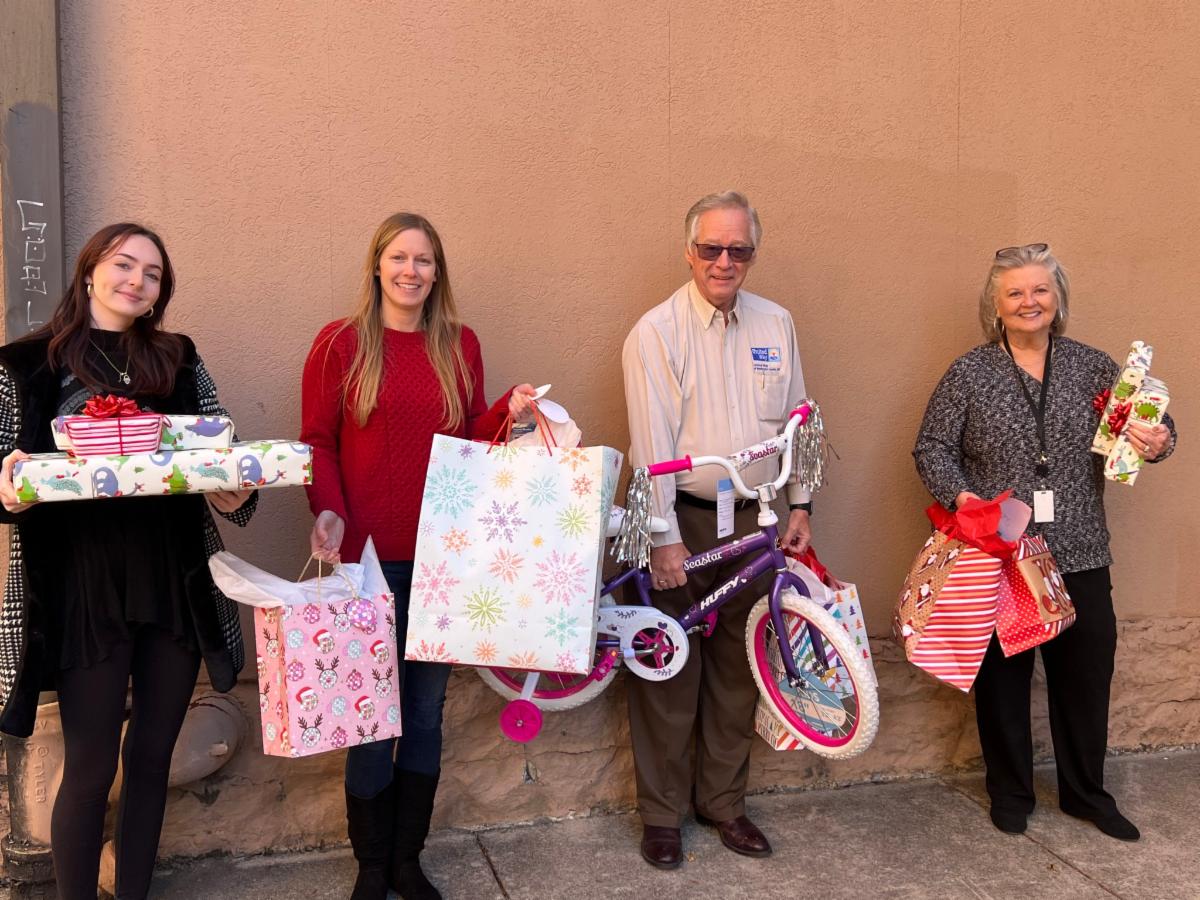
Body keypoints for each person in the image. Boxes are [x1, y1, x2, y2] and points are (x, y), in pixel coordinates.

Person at [0, 223, 256, 899]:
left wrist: (235, 490)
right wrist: (9, 489)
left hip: (172, 583)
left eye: (152, 273)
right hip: (83, 592)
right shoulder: (27, 365)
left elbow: (223, 454)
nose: (136, 281)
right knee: (89, 772)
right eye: (124, 264)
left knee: (150, 761)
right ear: (90, 271)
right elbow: (3, 478)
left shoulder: (178, 358)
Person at [301, 212, 533, 900]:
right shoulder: (340, 345)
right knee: (371, 721)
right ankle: (371, 866)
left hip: (443, 562)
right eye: (399, 257)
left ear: (437, 273)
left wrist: (509, 412)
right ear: (377, 265)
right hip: (365, 564)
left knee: (425, 715)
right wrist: (328, 510)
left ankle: (408, 860)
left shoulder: (459, 345)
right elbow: (317, 441)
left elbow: (469, 439)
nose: (411, 270)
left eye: (424, 260)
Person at [913, 243, 1177, 841]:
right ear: (996, 306)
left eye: (1040, 290)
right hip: (1001, 555)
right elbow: (931, 448)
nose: (1028, 301)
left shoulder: (1093, 366)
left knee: (1085, 677)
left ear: (1057, 299)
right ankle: (1010, 792)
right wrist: (965, 500)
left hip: (1080, 549)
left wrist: (1159, 439)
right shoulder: (970, 373)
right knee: (1003, 681)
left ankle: (1087, 795)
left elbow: (1153, 425)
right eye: (1015, 292)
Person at [621, 190, 813, 869]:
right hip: (682, 522)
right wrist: (662, 536)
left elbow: (800, 418)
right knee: (668, 673)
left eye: (739, 249)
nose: (724, 261)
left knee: (739, 670)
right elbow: (651, 444)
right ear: (689, 251)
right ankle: (662, 816)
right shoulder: (657, 332)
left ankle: (724, 805)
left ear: (752, 254)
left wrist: (801, 504)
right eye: (711, 248)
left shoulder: (776, 323)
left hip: (756, 522)